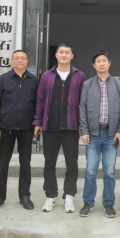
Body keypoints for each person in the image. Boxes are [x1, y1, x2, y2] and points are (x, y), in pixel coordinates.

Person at [33, 43, 86, 213]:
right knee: (49, 163)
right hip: (50, 126)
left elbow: (83, 102)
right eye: (61, 52)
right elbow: (40, 100)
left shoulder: (79, 76)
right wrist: (38, 122)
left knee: (72, 164)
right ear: (56, 55)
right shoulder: (47, 76)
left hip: (71, 127)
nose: (64, 55)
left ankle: (69, 196)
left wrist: (82, 124)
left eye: (67, 52)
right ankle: (50, 196)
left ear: (72, 56)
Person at [79, 50, 120, 218]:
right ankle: (88, 203)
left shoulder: (118, 84)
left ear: (109, 63)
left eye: (104, 61)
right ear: (94, 65)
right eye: (98, 61)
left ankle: (108, 203)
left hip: (111, 135)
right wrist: (84, 130)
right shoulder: (87, 84)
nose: (101, 63)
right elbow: (82, 108)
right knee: (90, 171)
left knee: (109, 172)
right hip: (93, 135)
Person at [0, 50, 39, 211]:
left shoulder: (34, 80)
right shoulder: (3, 79)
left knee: (25, 163)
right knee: (3, 163)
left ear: (27, 61)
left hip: (26, 128)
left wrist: (36, 124)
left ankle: (24, 196)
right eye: (17, 58)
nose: (20, 61)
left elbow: (38, 104)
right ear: (12, 61)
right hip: (6, 128)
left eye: (23, 58)